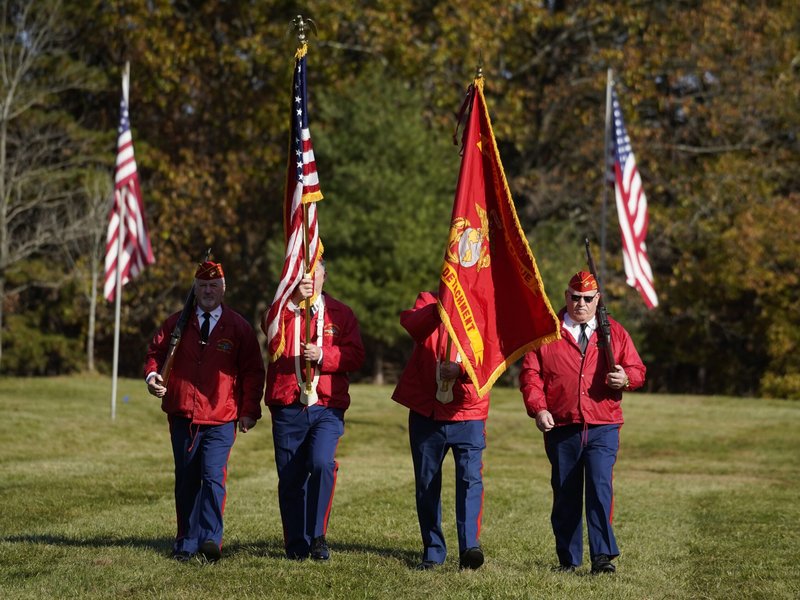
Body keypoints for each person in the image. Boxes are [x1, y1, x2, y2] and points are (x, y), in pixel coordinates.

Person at [519, 271, 645, 574]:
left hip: (603, 424)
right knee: (565, 493)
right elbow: (530, 375)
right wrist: (538, 409)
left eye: (588, 299)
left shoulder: (613, 332)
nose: (581, 304)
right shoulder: (546, 332)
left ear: (597, 300)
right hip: (562, 426)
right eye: (575, 297)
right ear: (566, 297)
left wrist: (625, 378)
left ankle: (602, 558)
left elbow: (637, 369)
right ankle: (568, 559)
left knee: (600, 489)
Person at [144, 260, 265, 563]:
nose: (208, 291)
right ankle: (186, 541)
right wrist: (152, 377)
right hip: (183, 413)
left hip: (221, 417)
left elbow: (253, 371)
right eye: (202, 286)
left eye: (214, 286)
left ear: (224, 290)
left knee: (212, 477)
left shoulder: (239, 327)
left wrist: (250, 409)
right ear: (195, 289)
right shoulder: (176, 323)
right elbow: (155, 354)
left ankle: (210, 539)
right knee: (187, 479)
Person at [262, 259, 365, 561]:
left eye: (315, 274)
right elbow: (269, 337)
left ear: (324, 277)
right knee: (291, 476)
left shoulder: (340, 313)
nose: (310, 280)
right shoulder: (282, 311)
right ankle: (296, 543)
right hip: (287, 403)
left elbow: (356, 355)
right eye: (303, 275)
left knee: (321, 463)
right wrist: (292, 301)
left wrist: (324, 354)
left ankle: (318, 535)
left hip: (326, 405)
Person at [392, 290, 488, 571]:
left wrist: (462, 371)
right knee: (427, 482)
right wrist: (439, 309)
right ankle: (433, 550)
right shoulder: (427, 301)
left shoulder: (484, 310)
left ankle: (470, 547)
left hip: (468, 412)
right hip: (427, 412)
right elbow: (413, 326)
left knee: (470, 481)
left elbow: (491, 357)